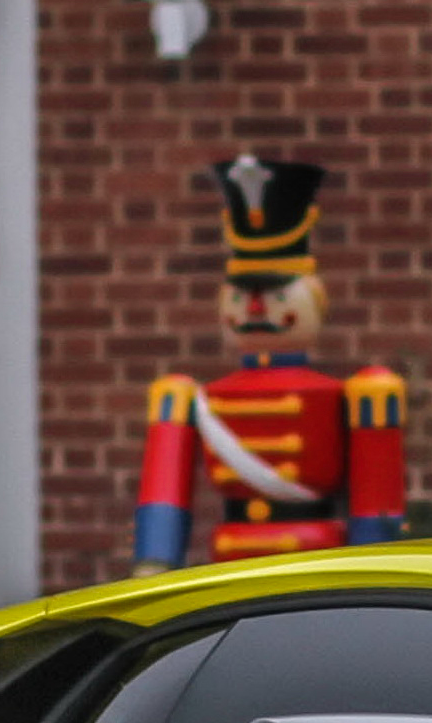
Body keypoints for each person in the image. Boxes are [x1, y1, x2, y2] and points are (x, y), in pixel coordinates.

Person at [129, 155, 404, 570]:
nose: (255, 309)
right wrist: (153, 561)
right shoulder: (184, 396)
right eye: (242, 297)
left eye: (275, 296)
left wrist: (376, 565)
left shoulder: (358, 394)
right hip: (230, 553)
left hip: (314, 554)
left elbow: (374, 498)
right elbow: (164, 494)